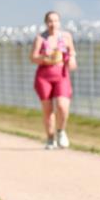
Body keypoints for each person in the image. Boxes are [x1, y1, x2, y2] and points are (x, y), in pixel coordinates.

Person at [30, 10, 77, 149]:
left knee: (62, 106)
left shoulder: (66, 37)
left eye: (55, 20)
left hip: (61, 74)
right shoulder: (40, 38)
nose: (53, 23)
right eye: (50, 21)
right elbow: (33, 57)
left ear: (59, 22)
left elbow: (72, 52)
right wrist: (45, 57)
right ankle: (50, 138)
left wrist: (71, 60)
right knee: (48, 110)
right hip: (44, 76)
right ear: (46, 22)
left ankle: (61, 131)